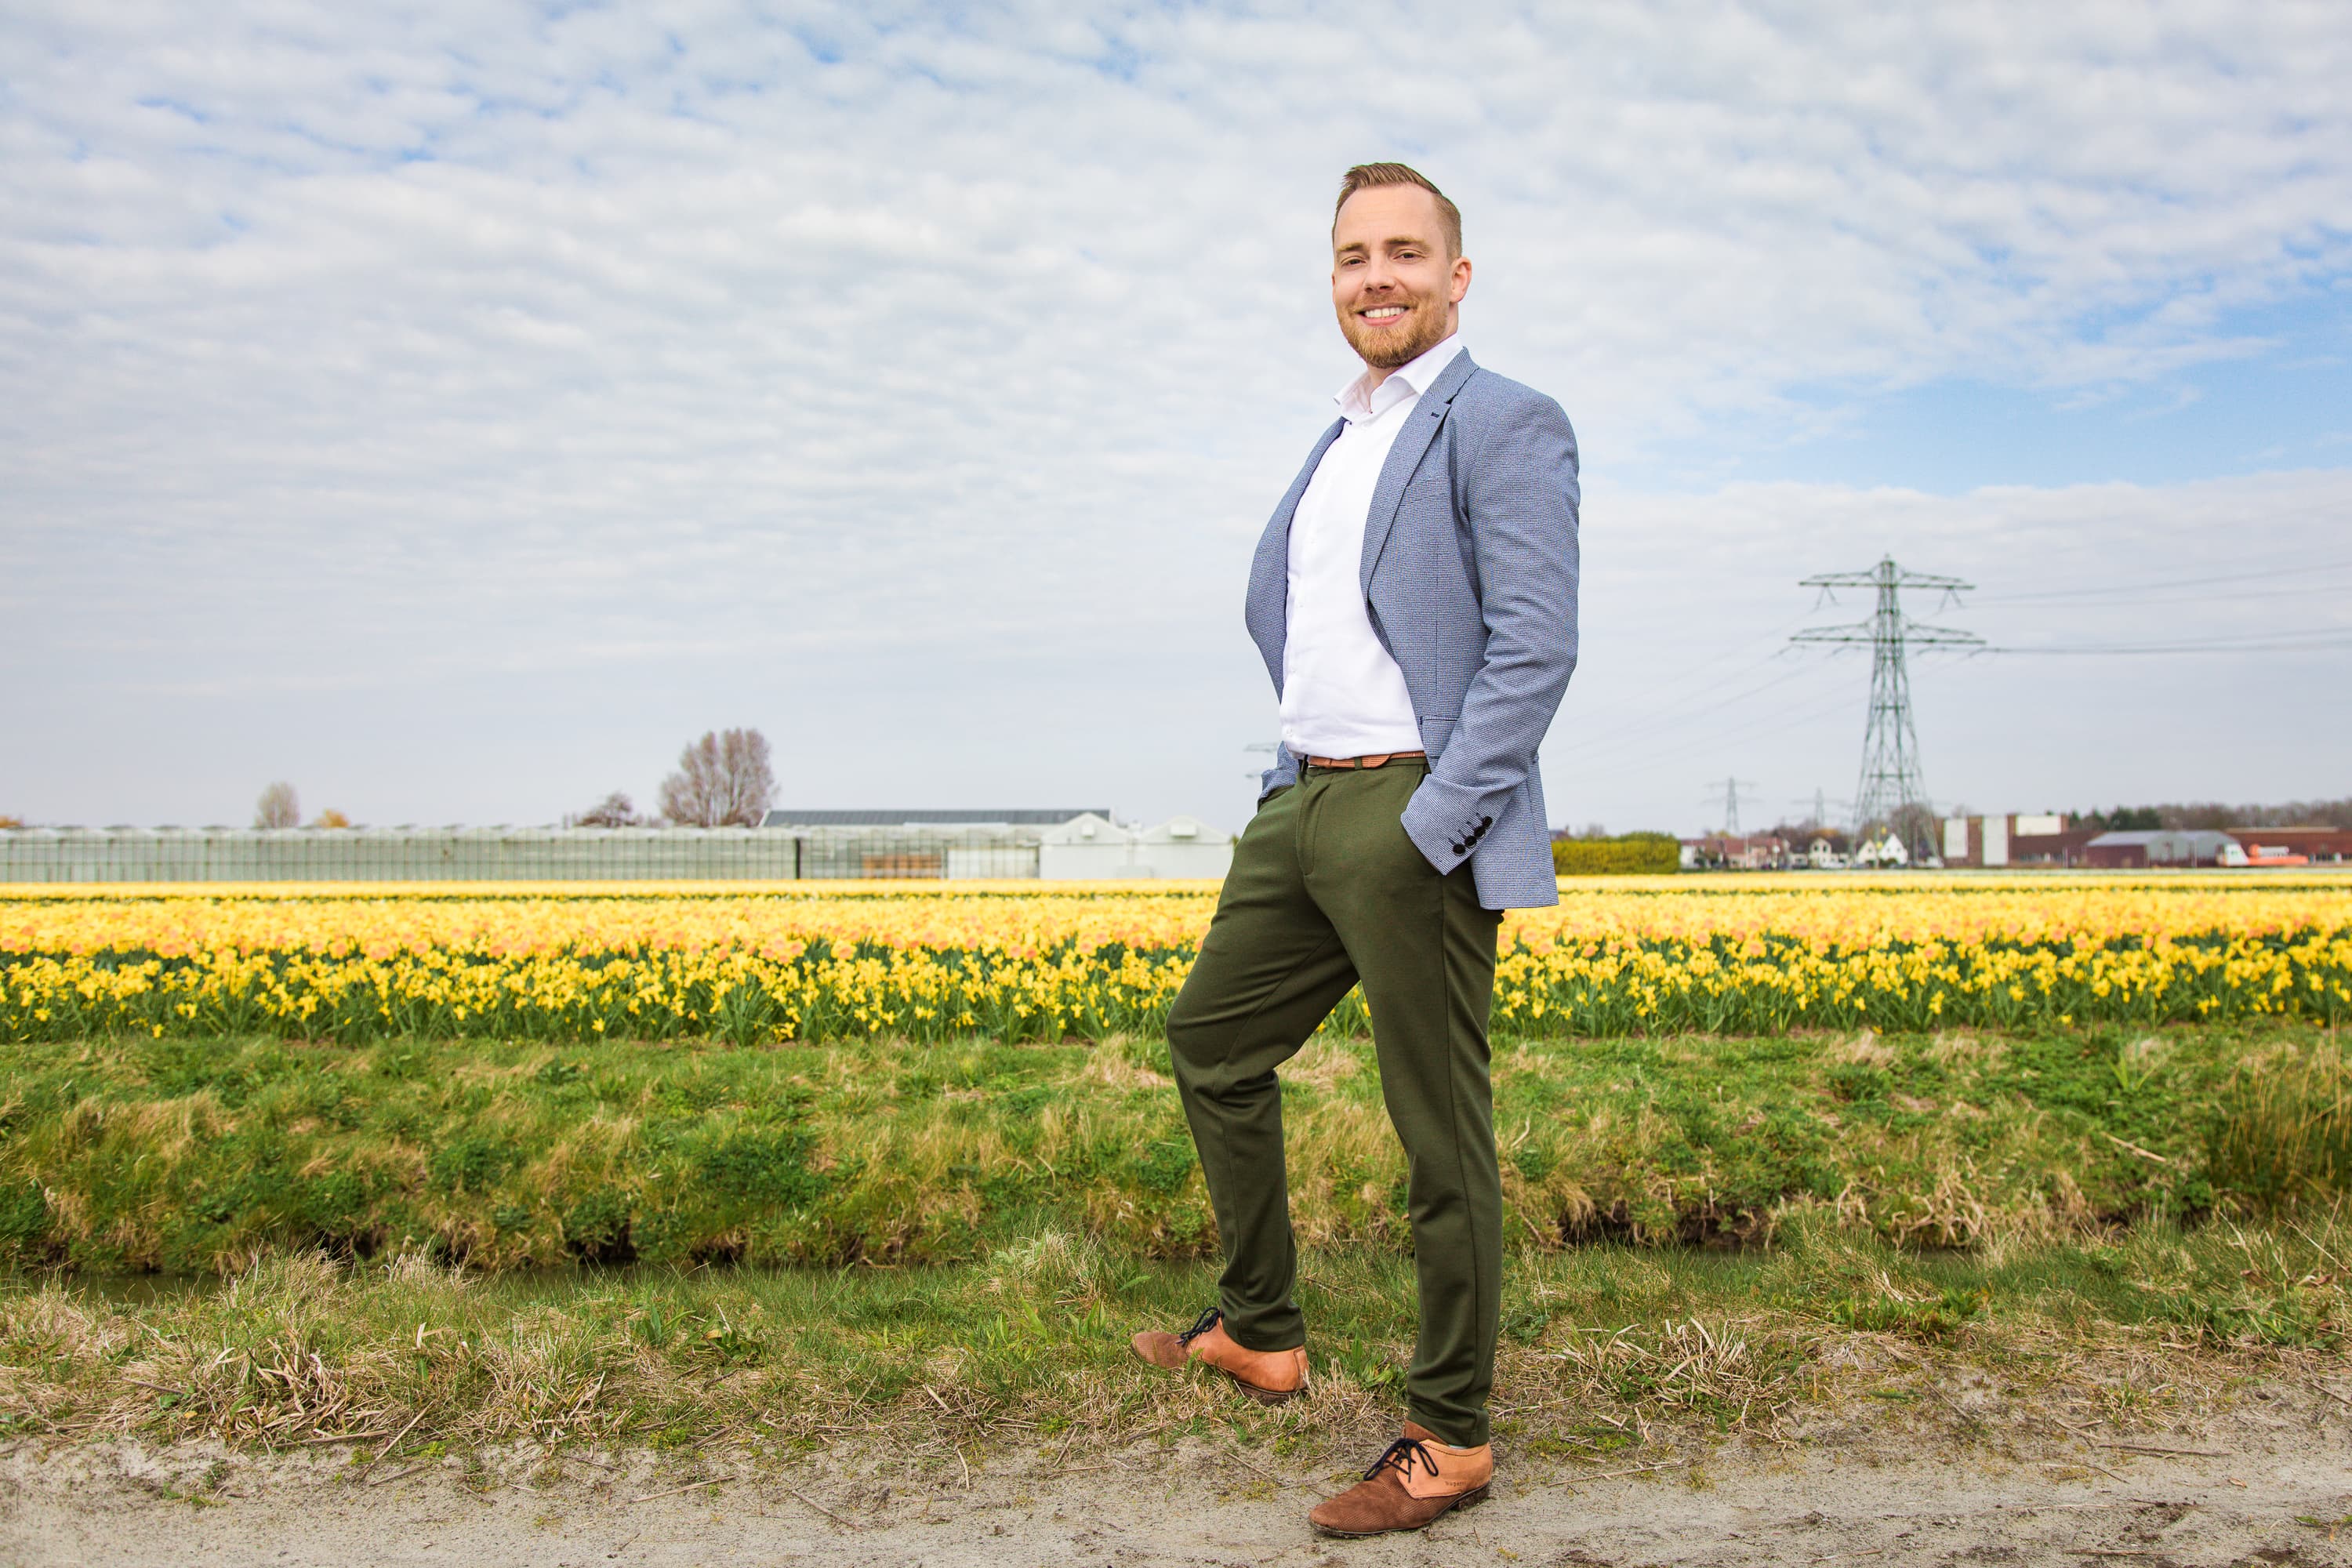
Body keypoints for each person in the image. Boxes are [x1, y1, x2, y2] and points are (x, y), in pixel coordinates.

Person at [1128, 162, 1581, 1537]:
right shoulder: (1339, 437)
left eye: (1402, 252)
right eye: (1349, 257)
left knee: (1437, 1130)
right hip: (1303, 801)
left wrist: (1436, 823)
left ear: (1457, 274)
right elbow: (1305, 623)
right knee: (1211, 1040)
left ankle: (1450, 1436)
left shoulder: (1506, 423)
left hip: (1409, 807)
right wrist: (1291, 780)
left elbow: (1534, 648)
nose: (1374, 276)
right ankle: (1263, 1331)